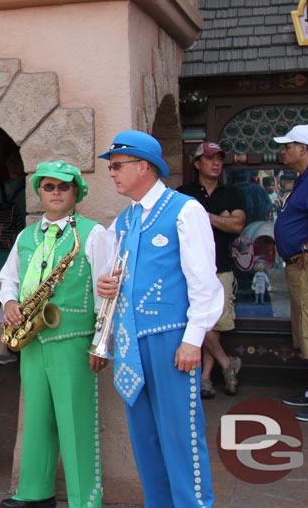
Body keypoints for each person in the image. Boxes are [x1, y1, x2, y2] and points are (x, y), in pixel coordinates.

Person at [96, 130, 223, 507]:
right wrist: (107, 285)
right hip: (131, 342)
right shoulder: (123, 220)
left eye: (117, 166)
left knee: (182, 435)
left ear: (144, 167)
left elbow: (204, 280)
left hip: (171, 341)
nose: (113, 174)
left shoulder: (185, 209)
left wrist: (193, 338)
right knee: (146, 439)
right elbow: (118, 276)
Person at [0, 161, 113, 508]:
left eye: (64, 187)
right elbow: (9, 277)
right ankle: (34, 493)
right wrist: (9, 302)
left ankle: (85, 501)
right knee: (35, 418)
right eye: (49, 187)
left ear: (76, 192)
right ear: (40, 193)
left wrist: (101, 343)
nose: (57, 193)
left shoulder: (93, 234)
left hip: (74, 341)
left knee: (77, 423)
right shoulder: (26, 235)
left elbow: (105, 293)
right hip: (33, 340)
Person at [177, 142, 245, 399]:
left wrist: (204, 216)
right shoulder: (184, 193)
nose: (216, 163)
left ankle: (205, 377)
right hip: (190, 269)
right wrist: (221, 219)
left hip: (221, 267)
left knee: (213, 324)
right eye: (209, 159)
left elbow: (237, 225)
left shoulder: (232, 193)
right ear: (197, 164)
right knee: (200, 320)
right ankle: (227, 363)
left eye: (219, 159)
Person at [272, 125, 308, 423]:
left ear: (303, 148)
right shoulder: (303, 180)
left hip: (307, 265)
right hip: (298, 265)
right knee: (304, 327)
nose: (283, 151)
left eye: (288, 146)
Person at [0, 154, 27, 365]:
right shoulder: (27, 189)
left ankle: (6, 346)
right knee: (8, 301)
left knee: (6, 297)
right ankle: (4, 349)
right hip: (16, 250)